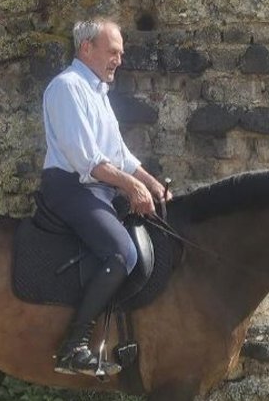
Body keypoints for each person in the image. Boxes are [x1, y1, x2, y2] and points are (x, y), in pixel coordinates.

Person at [40, 19, 171, 376]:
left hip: (95, 187)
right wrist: (131, 187)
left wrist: (152, 184)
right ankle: (74, 346)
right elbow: (87, 160)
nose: (119, 60)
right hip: (70, 187)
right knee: (121, 252)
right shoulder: (67, 87)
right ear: (86, 48)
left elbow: (121, 155)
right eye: (113, 51)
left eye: (121, 53)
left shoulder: (97, 92)